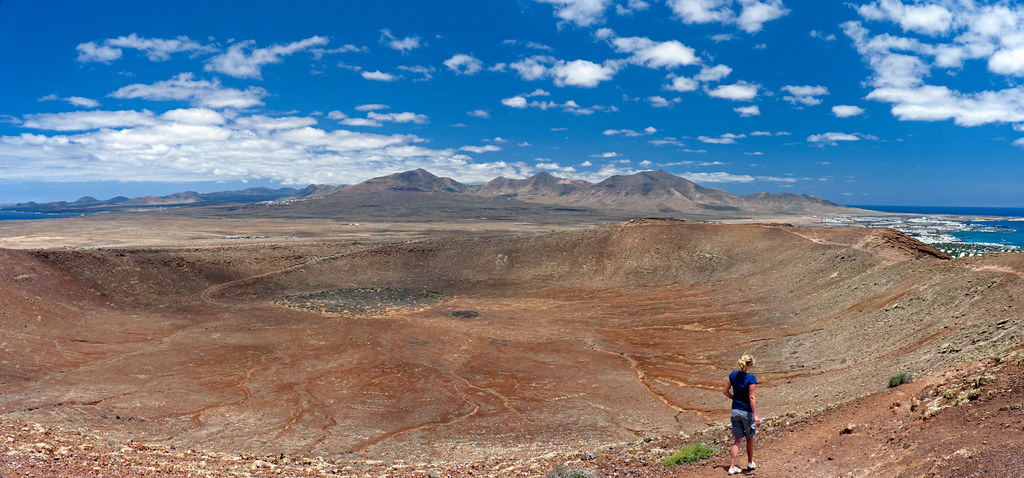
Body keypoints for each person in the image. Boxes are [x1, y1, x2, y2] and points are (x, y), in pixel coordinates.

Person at [723, 354, 760, 474]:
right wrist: (755, 416)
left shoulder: (733, 375)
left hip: (735, 411)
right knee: (749, 438)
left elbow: (725, 391)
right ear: (750, 364)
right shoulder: (751, 378)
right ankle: (750, 463)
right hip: (747, 413)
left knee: (737, 440)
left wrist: (734, 398)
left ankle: (732, 467)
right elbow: (751, 397)